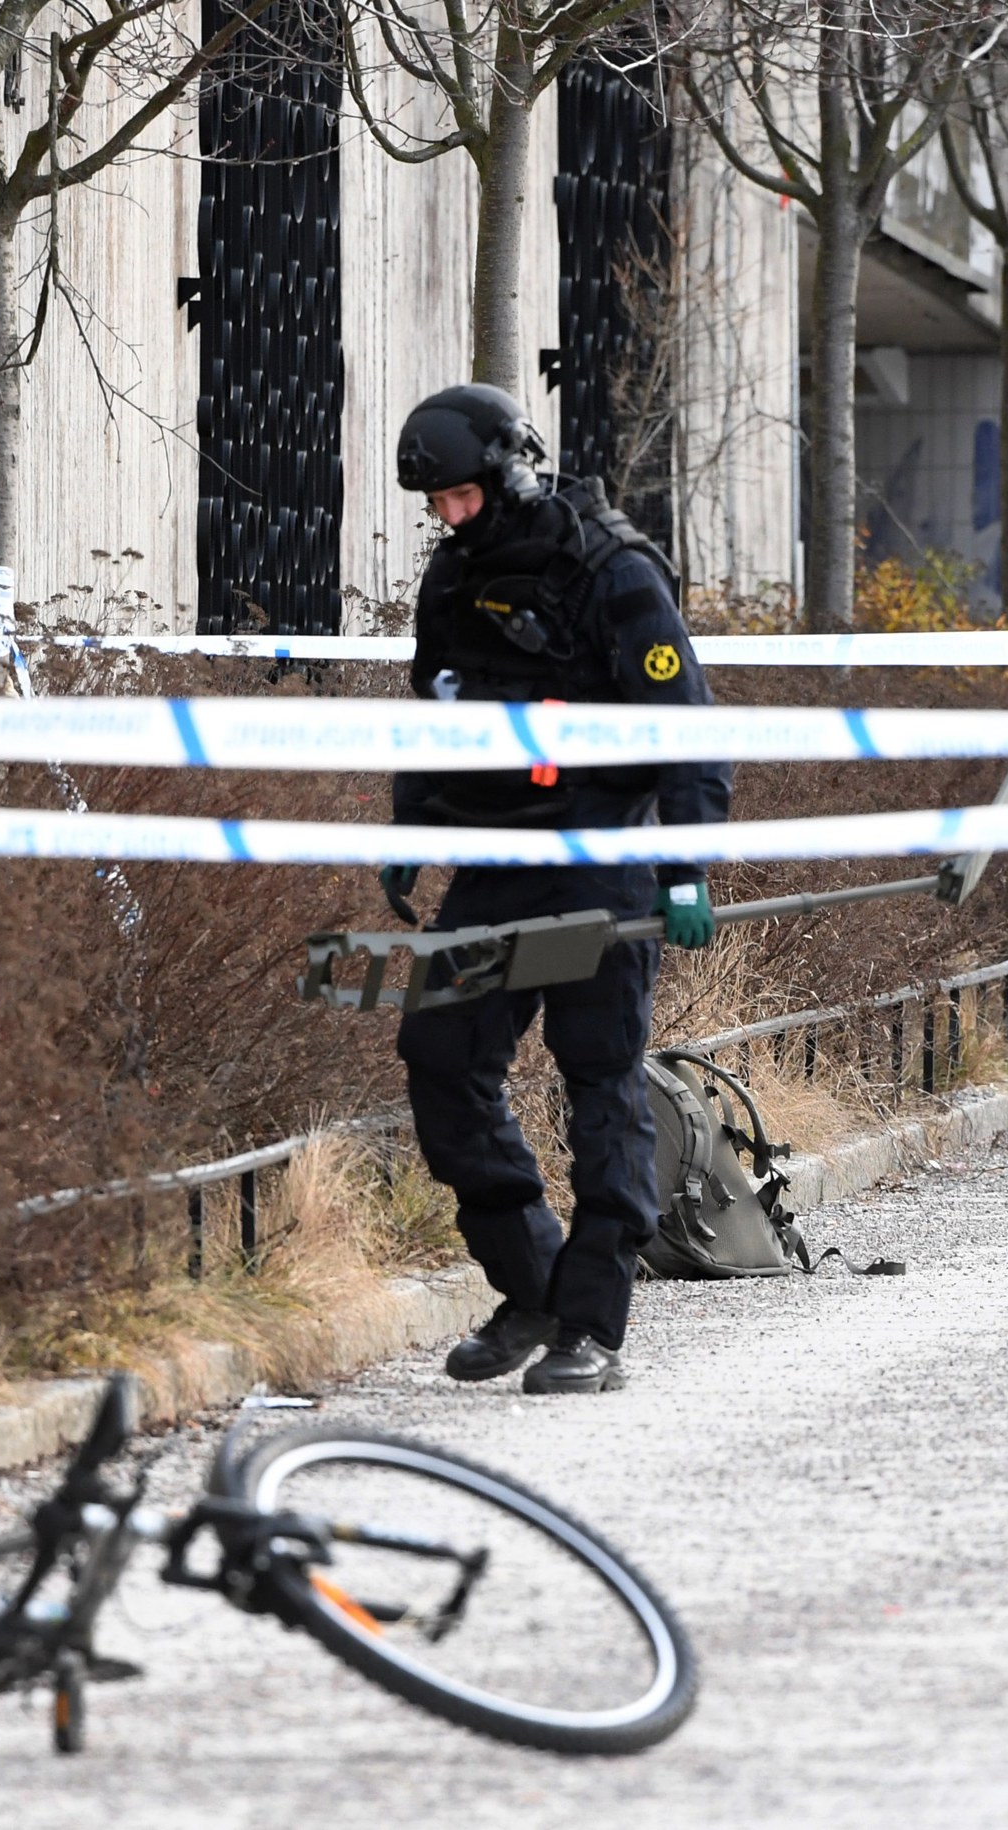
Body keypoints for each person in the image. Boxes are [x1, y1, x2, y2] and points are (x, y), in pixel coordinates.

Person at [381, 384, 732, 1395]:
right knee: (439, 1054)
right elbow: (434, 719)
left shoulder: (608, 568)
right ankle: (530, 1283)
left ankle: (591, 1325)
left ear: (508, 474)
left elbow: (685, 728)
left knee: (597, 1080)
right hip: (492, 863)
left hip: (596, 858)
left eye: (458, 497)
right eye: (434, 505)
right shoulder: (451, 581)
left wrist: (684, 868)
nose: (447, 518)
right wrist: (412, 836)